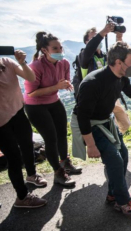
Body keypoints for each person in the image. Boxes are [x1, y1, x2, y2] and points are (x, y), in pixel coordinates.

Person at [72, 41, 131, 215]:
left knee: (123, 155)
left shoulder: (120, 77)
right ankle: (122, 201)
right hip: (90, 125)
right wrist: (91, 145)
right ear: (118, 62)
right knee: (115, 160)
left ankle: (113, 194)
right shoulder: (93, 83)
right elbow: (83, 116)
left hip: (105, 121)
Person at [24, 31, 81, 187]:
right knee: (51, 138)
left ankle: (65, 163)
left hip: (54, 101)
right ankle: (58, 173)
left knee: (62, 134)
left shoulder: (64, 63)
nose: (60, 51)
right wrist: (56, 86)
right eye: (55, 48)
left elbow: (65, 80)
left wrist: (66, 84)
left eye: (60, 48)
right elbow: (31, 92)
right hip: (35, 105)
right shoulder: (35, 67)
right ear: (44, 50)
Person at [0, 50, 47, 208]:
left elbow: (31, 77)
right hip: (1, 122)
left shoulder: (6, 62)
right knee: (14, 158)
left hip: (18, 112)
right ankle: (22, 197)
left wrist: (21, 62)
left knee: (27, 145)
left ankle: (32, 175)